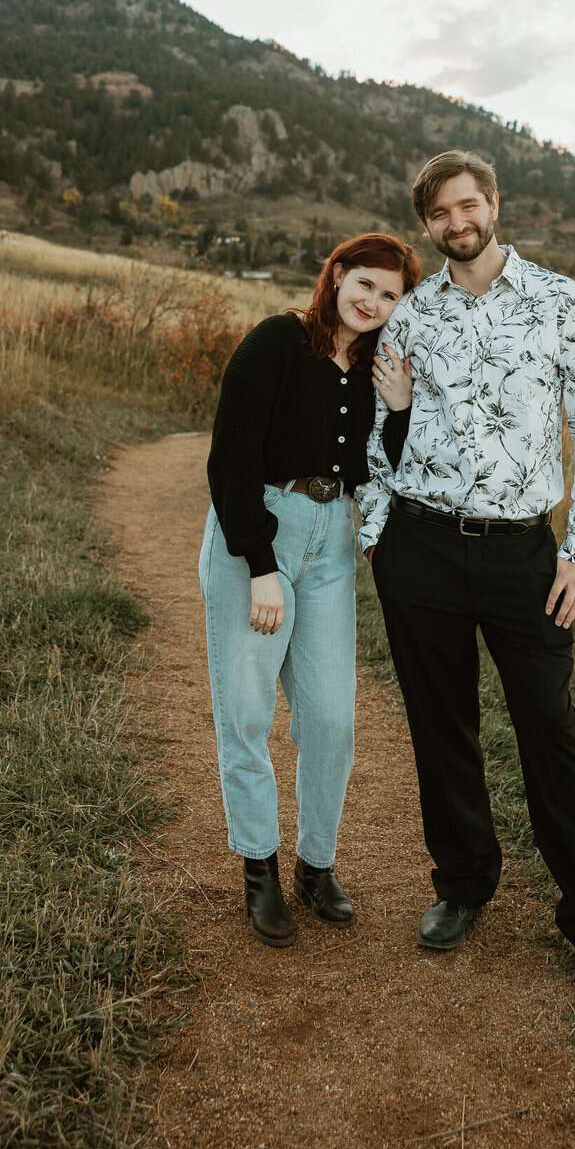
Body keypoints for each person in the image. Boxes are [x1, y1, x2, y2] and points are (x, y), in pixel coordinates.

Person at [358, 151, 575, 1002]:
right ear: (427, 225)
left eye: (469, 204)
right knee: (441, 726)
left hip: (525, 554)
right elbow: (381, 441)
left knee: (550, 732)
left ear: (494, 205)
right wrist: (380, 540)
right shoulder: (410, 317)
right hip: (423, 549)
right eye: (441, 212)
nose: (458, 222)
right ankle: (463, 882)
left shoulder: (562, 302)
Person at [201, 233, 419, 946]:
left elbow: (378, 472)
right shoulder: (277, 341)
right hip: (260, 531)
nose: (373, 302)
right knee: (248, 712)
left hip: (332, 538)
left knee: (331, 720)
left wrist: (402, 410)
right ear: (336, 276)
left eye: (389, 295)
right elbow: (231, 453)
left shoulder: (372, 367)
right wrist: (259, 563)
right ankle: (258, 868)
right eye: (364, 284)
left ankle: (315, 865)